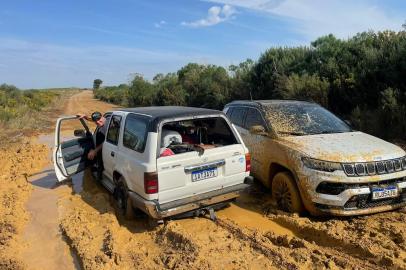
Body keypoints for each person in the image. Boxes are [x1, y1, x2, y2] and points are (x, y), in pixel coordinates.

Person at [77, 111, 107, 179]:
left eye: (99, 120)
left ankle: (99, 179)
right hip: (100, 151)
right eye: (96, 122)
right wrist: (85, 116)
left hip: (106, 151)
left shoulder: (109, 124)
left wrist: (95, 151)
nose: (98, 123)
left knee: (100, 168)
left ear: (103, 117)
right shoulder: (101, 120)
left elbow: (106, 141)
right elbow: (93, 119)